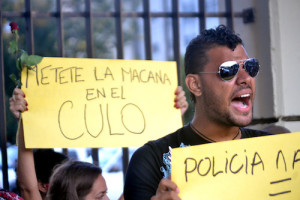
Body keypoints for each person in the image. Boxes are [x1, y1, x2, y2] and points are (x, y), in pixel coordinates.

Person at [123, 25, 272, 200]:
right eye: (228, 71)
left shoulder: (274, 152)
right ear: (195, 85)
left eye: (250, 67)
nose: (245, 78)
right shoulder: (150, 161)